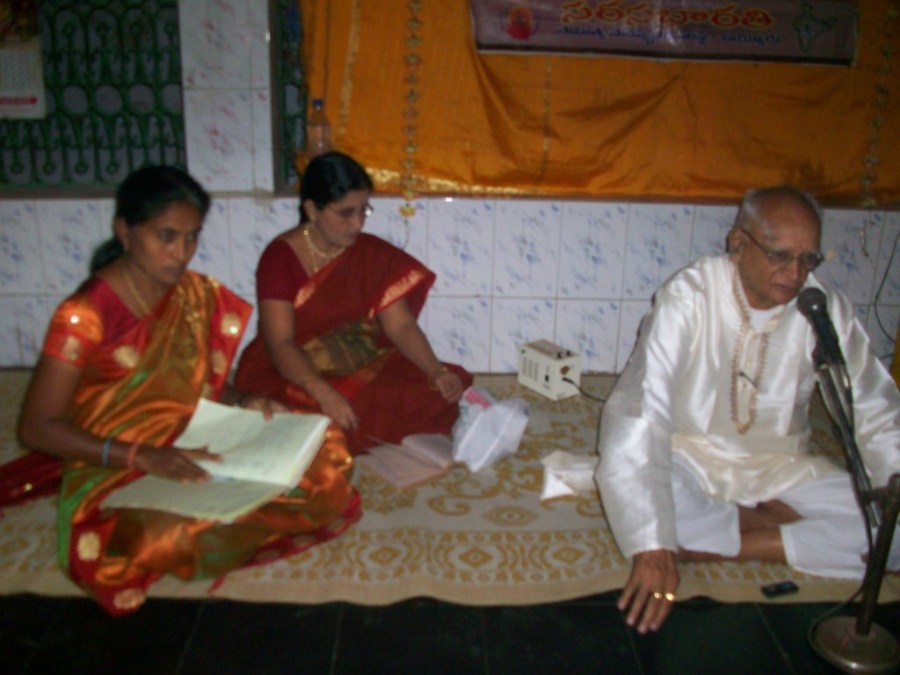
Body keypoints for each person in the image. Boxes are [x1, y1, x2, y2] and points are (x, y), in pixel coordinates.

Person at [12, 166, 360, 616]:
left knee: (327, 448)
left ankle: (229, 506)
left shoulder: (189, 295)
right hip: (114, 459)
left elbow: (197, 383)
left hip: (193, 436)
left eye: (191, 238)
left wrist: (243, 401)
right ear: (125, 231)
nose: (181, 253)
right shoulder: (83, 316)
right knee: (165, 536)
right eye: (166, 237)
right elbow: (37, 428)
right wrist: (143, 457)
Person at [595, 186, 900, 634]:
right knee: (647, 513)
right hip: (690, 457)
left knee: (895, 528)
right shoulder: (690, 295)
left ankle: (737, 541)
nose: (795, 273)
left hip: (783, 470)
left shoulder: (822, 307)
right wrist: (653, 546)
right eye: (780, 256)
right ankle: (774, 530)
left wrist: (893, 482)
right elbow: (642, 409)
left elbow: (872, 409)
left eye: (809, 259)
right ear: (737, 244)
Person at [234, 151, 472, 454]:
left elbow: (400, 325)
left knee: (442, 388)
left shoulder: (369, 252)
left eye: (363, 211)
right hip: (295, 368)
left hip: (356, 357)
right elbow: (280, 343)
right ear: (312, 209)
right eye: (346, 213)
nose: (357, 223)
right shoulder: (280, 259)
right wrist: (323, 392)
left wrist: (435, 370)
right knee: (320, 414)